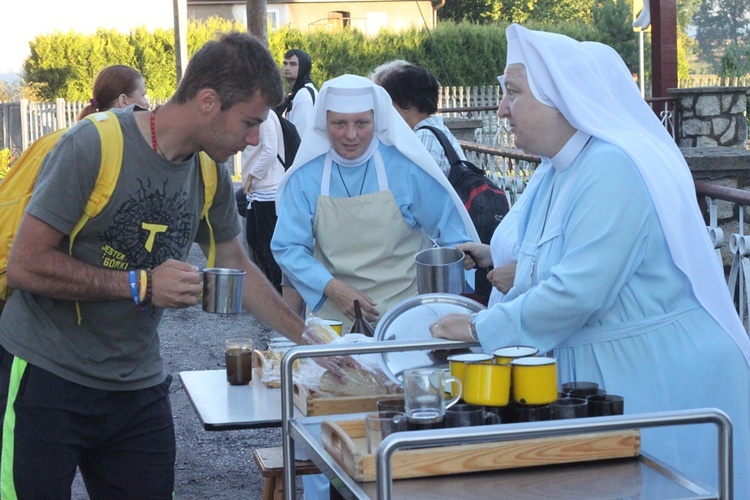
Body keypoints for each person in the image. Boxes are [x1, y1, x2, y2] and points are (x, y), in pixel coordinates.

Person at [430, 24, 750, 495]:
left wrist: (480, 330)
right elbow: (535, 276)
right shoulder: (558, 171)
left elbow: (577, 293)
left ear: (561, 97)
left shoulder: (612, 167)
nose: (501, 110)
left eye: (513, 94)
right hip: (614, 372)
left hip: (660, 376)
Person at [0, 33, 306, 498]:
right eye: (249, 122)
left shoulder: (209, 173)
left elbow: (234, 264)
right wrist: (139, 283)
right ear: (208, 101)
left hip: (136, 389)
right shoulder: (93, 144)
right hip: (45, 378)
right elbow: (26, 265)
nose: (255, 139)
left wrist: (312, 346)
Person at [271, 74, 479, 332]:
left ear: (376, 119)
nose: (351, 135)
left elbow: (452, 233)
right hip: (334, 320)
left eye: (361, 123)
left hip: (406, 318)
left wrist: (459, 263)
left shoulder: (406, 167)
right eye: (339, 123)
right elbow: (289, 248)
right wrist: (334, 289)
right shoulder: (305, 177)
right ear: (324, 122)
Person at [370, 60, 467, 177]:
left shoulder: (424, 138)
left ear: (405, 103)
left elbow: (418, 188)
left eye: (384, 101)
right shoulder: (433, 132)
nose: (379, 109)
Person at [241, 110, 285, 292]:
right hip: (259, 190)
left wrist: (251, 176)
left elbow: (270, 150)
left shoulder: (264, 114)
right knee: (254, 239)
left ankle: (277, 291)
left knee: (268, 244)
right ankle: (270, 287)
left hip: (268, 188)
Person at [77, 64, 150, 120]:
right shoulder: (122, 138)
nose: (147, 105)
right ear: (124, 101)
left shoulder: (90, 133)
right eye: (143, 95)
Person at [280, 49, 318, 137]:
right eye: (285, 63)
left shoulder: (303, 95)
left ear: (303, 67)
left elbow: (299, 135)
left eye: (293, 64)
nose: (287, 68)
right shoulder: (300, 92)